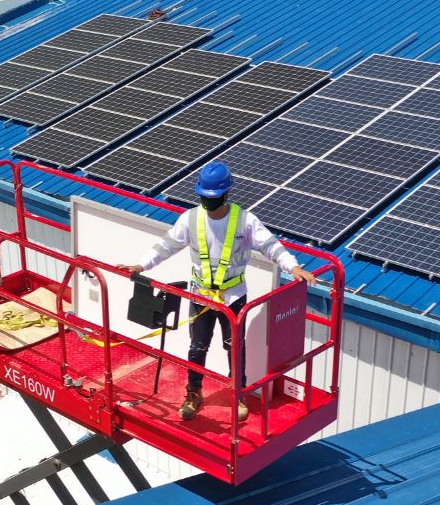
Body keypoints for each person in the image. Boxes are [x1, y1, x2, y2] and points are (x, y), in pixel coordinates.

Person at [121, 161, 316, 422]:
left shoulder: (245, 221)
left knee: (234, 346)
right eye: (204, 197)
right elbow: (166, 246)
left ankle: (238, 394)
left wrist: (292, 267)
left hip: (233, 296)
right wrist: (141, 264)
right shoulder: (190, 219)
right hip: (201, 294)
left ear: (226, 194)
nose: (208, 202)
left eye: (212, 197)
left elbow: (270, 246)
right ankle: (194, 392)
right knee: (197, 347)